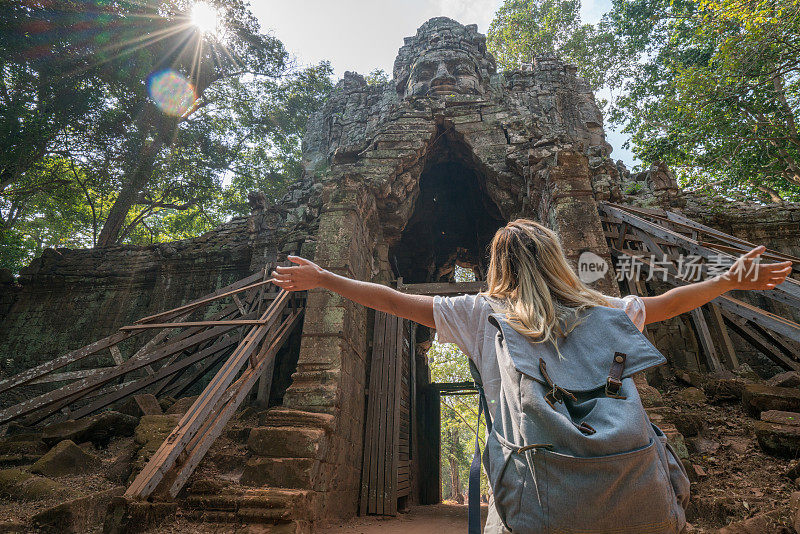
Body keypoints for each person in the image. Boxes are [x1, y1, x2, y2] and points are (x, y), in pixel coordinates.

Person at [268, 218, 793, 533]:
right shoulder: (607, 309)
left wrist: (324, 278)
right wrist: (728, 279)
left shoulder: (481, 313)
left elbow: (393, 300)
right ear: (556, 259)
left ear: (500, 265)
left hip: (538, 504)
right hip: (638, 496)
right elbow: (670, 301)